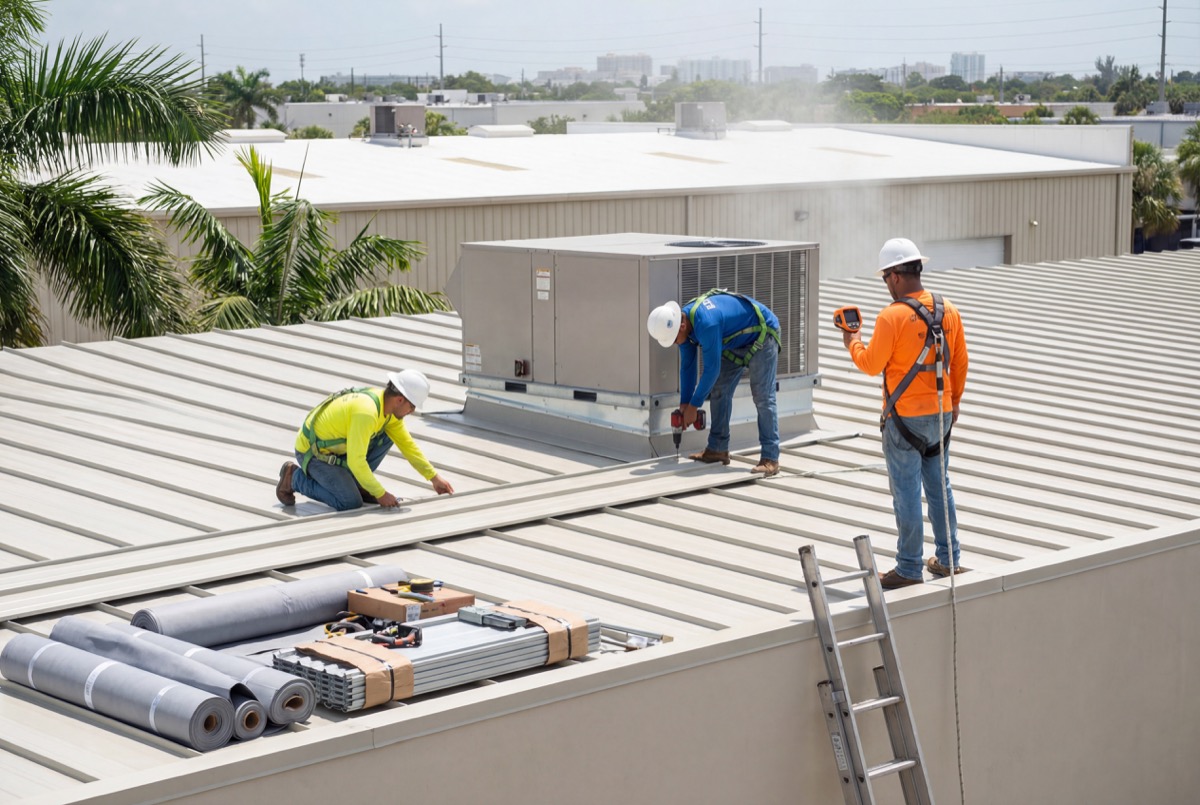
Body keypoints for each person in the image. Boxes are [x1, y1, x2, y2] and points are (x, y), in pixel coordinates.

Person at [843, 237, 969, 589]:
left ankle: (910, 568)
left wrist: (852, 342)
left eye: (886, 278)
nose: (887, 285)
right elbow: (960, 362)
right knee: (940, 487)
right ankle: (949, 559)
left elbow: (871, 364)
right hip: (941, 415)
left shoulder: (892, 316)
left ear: (895, 276)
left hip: (904, 421)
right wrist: (955, 402)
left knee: (907, 493)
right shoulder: (948, 309)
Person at [275, 369, 454, 511]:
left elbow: (408, 446)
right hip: (313, 453)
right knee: (349, 502)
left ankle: (358, 483)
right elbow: (356, 461)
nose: (412, 411)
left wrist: (434, 477)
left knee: (388, 436)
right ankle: (294, 478)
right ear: (400, 400)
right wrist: (379, 493)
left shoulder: (387, 410)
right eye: (412, 406)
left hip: (337, 452)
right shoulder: (367, 412)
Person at [646, 289, 782, 476]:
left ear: (681, 326)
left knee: (763, 397)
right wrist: (685, 404)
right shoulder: (684, 326)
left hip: (762, 336)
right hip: (735, 341)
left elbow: (712, 370)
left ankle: (770, 458)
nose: (676, 343)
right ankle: (718, 449)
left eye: (674, 339)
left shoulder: (706, 323)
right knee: (719, 390)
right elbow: (687, 367)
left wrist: (694, 406)